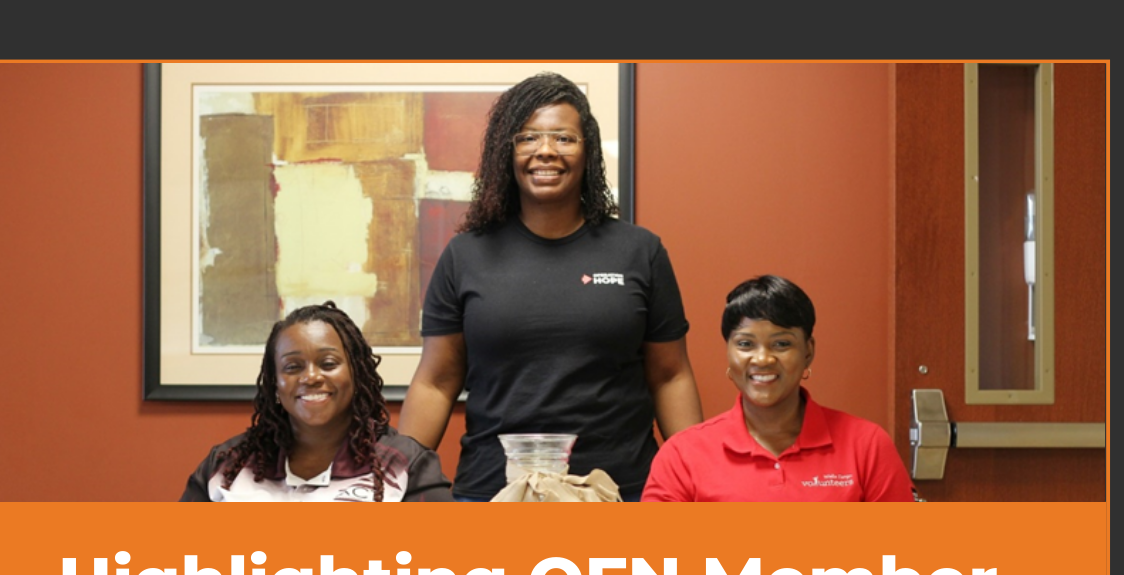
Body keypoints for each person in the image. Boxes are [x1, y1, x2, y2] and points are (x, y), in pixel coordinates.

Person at [399, 71, 703, 502]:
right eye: (528, 138)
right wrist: (392, 479)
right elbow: (437, 381)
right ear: (508, 151)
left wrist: (695, 477)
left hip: (619, 493)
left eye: (564, 138)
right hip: (494, 494)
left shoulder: (639, 252)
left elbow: (670, 375)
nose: (546, 151)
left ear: (587, 151)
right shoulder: (465, 256)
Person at [642, 275, 915, 502]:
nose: (763, 359)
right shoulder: (682, 455)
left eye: (782, 344)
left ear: (808, 352)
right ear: (728, 352)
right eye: (745, 344)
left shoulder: (866, 445)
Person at [181, 302, 453, 502]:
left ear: (356, 372)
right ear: (275, 382)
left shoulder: (406, 464)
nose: (310, 377)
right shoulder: (227, 465)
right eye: (292, 367)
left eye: (328, 363)